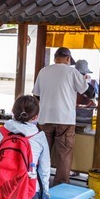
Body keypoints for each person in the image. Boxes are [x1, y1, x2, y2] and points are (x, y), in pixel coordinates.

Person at [33, 47, 96, 185]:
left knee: (42, 152)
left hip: (44, 118)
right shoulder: (72, 72)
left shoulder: (43, 71)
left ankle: (38, 182)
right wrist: (85, 81)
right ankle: (60, 185)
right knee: (64, 154)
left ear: (55, 58)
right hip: (65, 120)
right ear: (68, 59)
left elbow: (36, 95)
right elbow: (90, 93)